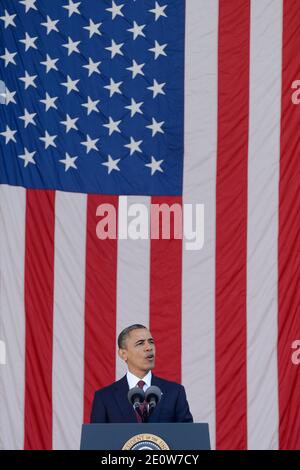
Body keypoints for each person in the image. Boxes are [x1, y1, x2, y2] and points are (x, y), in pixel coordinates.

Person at [90, 324, 193, 423]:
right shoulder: (105, 397)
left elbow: (187, 436)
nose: (149, 348)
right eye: (140, 343)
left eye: (151, 342)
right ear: (123, 354)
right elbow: (96, 439)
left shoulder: (175, 392)